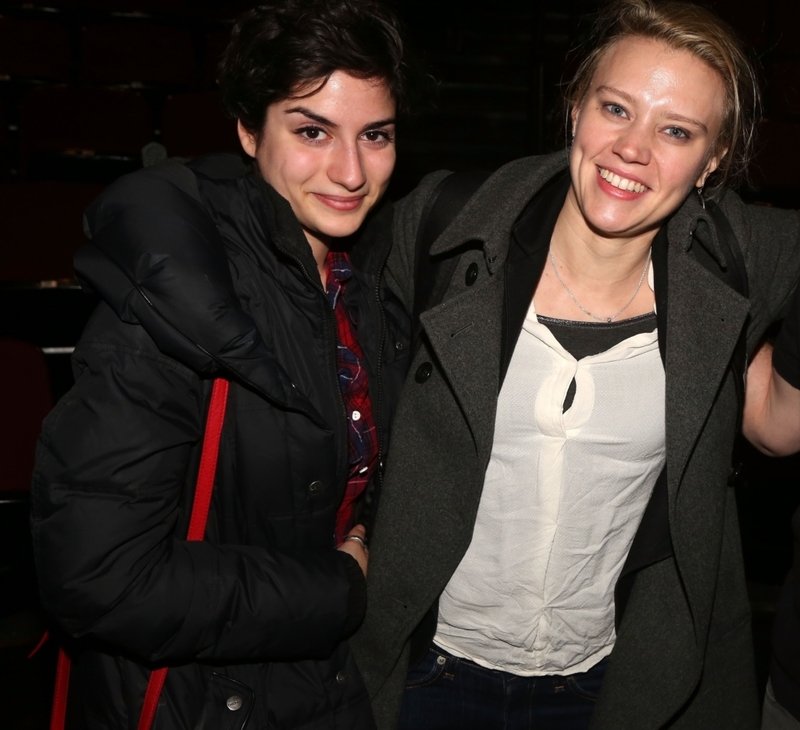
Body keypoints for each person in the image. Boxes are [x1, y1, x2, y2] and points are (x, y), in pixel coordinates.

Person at [348, 0, 800, 727]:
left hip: (603, 690)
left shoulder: (736, 260)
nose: (634, 148)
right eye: (615, 108)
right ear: (574, 108)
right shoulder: (445, 226)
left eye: (677, 130)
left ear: (714, 158)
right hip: (422, 676)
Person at [30, 1, 421, 728]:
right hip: (205, 704)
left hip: (335, 689)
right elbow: (97, 576)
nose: (351, 170)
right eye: (312, 131)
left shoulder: (365, 285)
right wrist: (342, 588)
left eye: (377, 135)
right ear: (248, 130)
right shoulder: (179, 297)